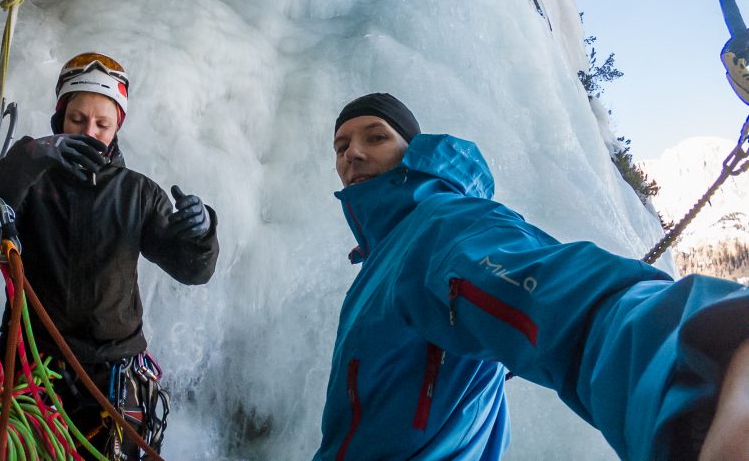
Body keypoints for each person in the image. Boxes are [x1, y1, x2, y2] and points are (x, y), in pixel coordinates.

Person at [313, 92, 749, 461]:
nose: (353, 152)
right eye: (341, 145)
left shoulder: (439, 226)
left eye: (376, 137)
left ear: (412, 149)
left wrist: (706, 359)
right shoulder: (382, 258)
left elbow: (565, 301)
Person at [0, 52, 220, 458]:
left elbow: (191, 270)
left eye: (102, 124)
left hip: (111, 372)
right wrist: (25, 159)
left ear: (116, 129)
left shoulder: (137, 192)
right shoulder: (27, 178)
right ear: (60, 118)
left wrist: (200, 234)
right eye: (78, 120)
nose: (89, 132)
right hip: (29, 361)